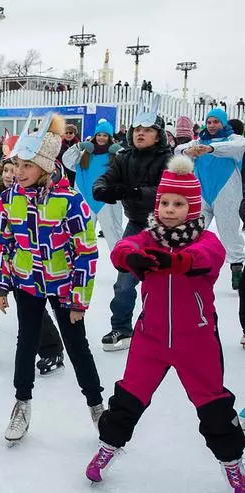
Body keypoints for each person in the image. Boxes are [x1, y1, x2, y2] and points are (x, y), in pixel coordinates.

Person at [86, 156, 245, 492]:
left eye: (179, 203)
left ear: (192, 207)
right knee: (128, 398)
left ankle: (232, 462)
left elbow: (205, 259)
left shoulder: (207, 241)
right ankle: (107, 448)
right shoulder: (149, 237)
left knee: (214, 404)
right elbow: (124, 248)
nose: (170, 209)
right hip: (151, 339)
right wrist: (129, 256)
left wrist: (176, 261)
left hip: (197, 341)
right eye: (165, 203)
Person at [0, 113, 103, 443]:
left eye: (27, 165)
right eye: (16, 165)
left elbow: (86, 252)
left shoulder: (70, 201)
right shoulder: (9, 199)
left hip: (64, 286)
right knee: (26, 343)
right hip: (26, 283)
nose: (19, 172)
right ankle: (22, 404)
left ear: (46, 166)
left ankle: (97, 407)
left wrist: (79, 299)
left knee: (77, 347)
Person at [0, 152, 65, 373]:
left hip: (25, 260)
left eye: (14, 168)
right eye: (6, 169)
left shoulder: (32, 194)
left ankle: (52, 349)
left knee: (29, 304)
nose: (10, 174)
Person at [93, 96, 170, 351]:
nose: (140, 134)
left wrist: (137, 192)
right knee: (125, 279)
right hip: (137, 225)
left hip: (166, 229)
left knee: (161, 282)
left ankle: (162, 329)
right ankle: (121, 328)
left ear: (158, 135)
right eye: (137, 130)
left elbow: (169, 191)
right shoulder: (124, 157)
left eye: (147, 130)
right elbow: (105, 178)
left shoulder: (168, 159)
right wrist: (102, 189)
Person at [175, 108, 245, 290]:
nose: (212, 126)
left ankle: (237, 265)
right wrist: (189, 150)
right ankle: (194, 266)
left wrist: (210, 148)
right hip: (202, 194)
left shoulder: (234, 140)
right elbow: (178, 149)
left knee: (229, 232)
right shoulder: (198, 141)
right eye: (209, 122)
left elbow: (239, 146)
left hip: (226, 193)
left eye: (216, 122)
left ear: (224, 123)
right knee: (194, 232)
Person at [62, 119, 124, 249]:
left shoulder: (114, 156)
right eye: (99, 135)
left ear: (110, 137)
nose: (101, 138)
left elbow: (128, 166)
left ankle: (122, 264)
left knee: (113, 235)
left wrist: (120, 151)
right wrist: (78, 146)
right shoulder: (85, 154)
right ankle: (82, 262)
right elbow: (67, 160)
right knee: (83, 236)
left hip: (106, 200)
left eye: (105, 135)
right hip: (86, 198)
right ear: (95, 136)